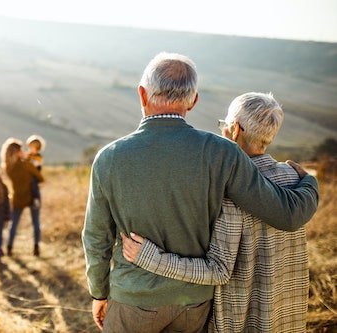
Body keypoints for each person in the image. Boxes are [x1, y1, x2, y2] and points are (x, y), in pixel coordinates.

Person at [81, 52, 319, 333]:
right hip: (194, 303)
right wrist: (309, 184)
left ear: (142, 95)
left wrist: (99, 293)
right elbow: (285, 214)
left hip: (134, 299)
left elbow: (96, 238)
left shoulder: (110, 158)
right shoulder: (221, 152)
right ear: (193, 101)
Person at [121, 92, 311, 332]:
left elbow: (219, 271)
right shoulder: (294, 177)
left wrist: (151, 258)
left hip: (242, 320)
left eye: (223, 125)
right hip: (287, 316)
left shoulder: (228, 189)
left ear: (234, 130)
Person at [0, 137, 44, 257]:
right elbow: (40, 177)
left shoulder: (8, 167)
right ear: (18, 151)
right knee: (36, 222)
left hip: (18, 196)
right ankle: (36, 247)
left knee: (13, 224)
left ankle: (9, 247)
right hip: (33, 196)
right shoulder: (26, 165)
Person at [25, 134, 46, 209]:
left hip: (35, 175)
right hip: (29, 174)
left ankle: (36, 199)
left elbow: (36, 164)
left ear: (37, 148)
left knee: (34, 185)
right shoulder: (28, 155)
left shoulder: (38, 157)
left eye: (32, 147)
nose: (30, 149)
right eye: (29, 147)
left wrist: (29, 161)